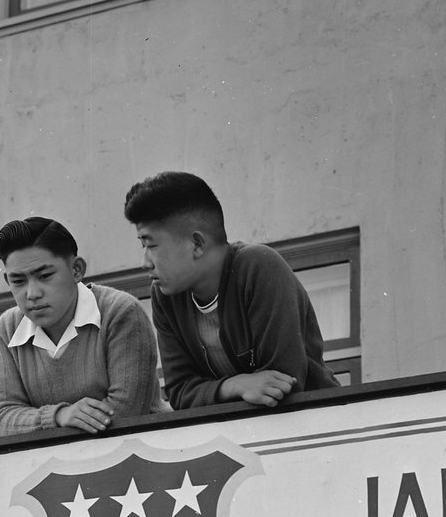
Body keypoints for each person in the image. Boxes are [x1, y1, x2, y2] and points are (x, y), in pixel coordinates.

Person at [123, 171, 339, 411]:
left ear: (197, 244)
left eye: (151, 245)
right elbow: (180, 393)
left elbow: (281, 382)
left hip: (313, 423)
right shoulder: (165, 296)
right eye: (142, 246)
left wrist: (212, 391)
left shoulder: (258, 266)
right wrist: (236, 385)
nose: (145, 262)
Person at [0, 215, 163, 436]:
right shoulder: (8, 328)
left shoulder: (119, 311)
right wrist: (59, 416)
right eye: (18, 281)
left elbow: (126, 412)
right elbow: (3, 420)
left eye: (45, 275)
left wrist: (51, 425)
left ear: (76, 270)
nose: (32, 294)